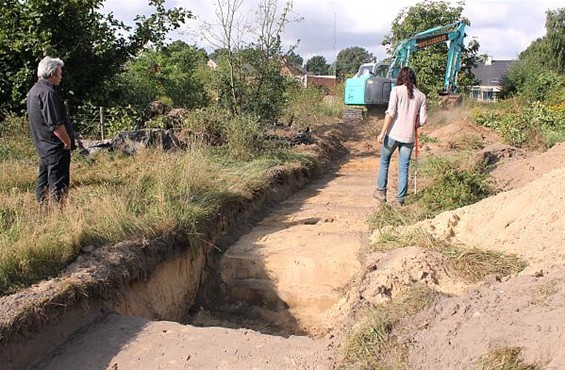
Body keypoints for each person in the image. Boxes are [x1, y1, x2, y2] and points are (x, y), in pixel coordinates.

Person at [374, 66, 427, 205]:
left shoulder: (396, 90)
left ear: (400, 78)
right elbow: (422, 120)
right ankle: (400, 200)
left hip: (393, 134)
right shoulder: (421, 96)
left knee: (384, 162)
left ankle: (381, 191)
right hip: (409, 138)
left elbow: (390, 113)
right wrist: (414, 125)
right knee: (404, 168)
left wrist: (382, 133)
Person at [27, 56, 75, 205]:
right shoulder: (48, 93)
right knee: (58, 184)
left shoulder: (34, 91)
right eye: (60, 73)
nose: (61, 77)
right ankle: (57, 217)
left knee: (44, 183)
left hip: (43, 146)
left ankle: (43, 213)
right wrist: (67, 141)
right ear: (53, 73)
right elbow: (55, 123)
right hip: (55, 147)